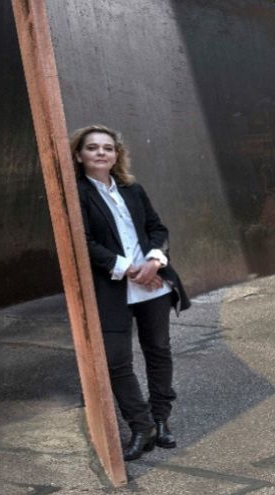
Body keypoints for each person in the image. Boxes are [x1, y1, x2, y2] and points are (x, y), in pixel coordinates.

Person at [70, 125, 191, 461]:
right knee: (115, 361)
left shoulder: (133, 189)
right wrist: (129, 269)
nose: (101, 153)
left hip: (153, 284)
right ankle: (141, 424)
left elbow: (157, 229)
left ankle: (161, 419)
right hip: (114, 288)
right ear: (78, 155)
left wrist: (153, 261)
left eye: (108, 148)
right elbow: (83, 242)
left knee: (158, 351)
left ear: (116, 155)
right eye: (92, 147)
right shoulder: (78, 193)